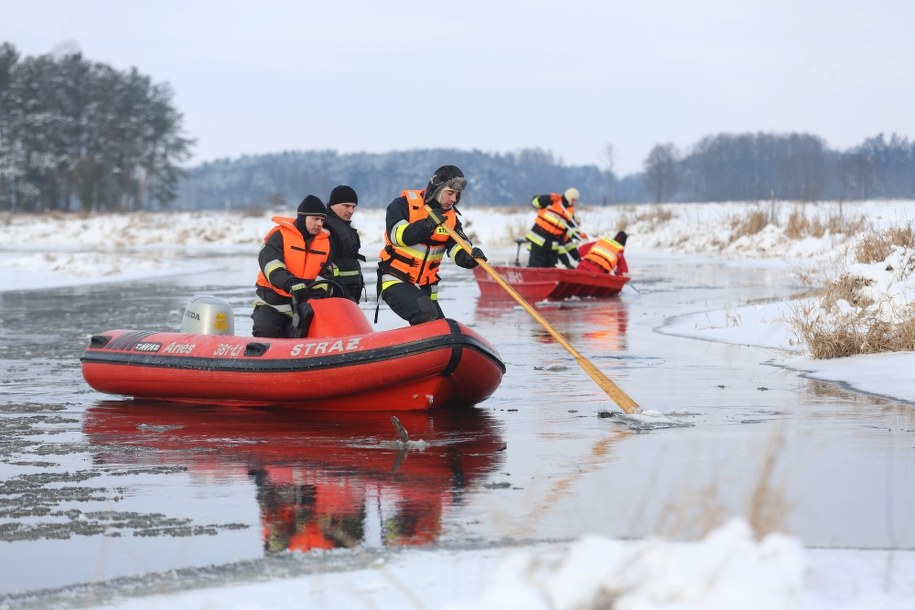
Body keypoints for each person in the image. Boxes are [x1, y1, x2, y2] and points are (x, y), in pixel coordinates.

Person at [376, 164, 486, 325]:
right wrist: (428, 224)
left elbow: (458, 248)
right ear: (437, 189)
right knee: (427, 313)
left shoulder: (452, 220)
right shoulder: (401, 205)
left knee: (442, 326)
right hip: (396, 281)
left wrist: (470, 257)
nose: (453, 200)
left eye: (457, 195)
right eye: (450, 193)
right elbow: (397, 236)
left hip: (426, 289)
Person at [251, 195, 335, 338]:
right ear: (302, 217)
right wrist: (291, 283)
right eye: (315, 219)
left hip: (305, 305)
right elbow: (271, 266)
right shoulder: (279, 236)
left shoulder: (325, 243)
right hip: (273, 302)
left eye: (322, 220)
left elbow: (325, 274)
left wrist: (317, 293)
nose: (319, 224)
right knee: (266, 331)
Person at [323, 185, 365, 303]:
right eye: (346, 206)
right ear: (333, 205)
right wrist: (345, 295)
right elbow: (326, 266)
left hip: (348, 296)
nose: (351, 210)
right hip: (336, 296)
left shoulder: (343, 226)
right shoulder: (327, 229)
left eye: (353, 207)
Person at [525, 187, 583, 268]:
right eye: (573, 200)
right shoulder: (552, 201)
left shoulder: (569, 212)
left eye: (575, 200)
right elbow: (534, 202)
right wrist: (547, 198)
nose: (574, 202)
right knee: (536, 265)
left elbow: (570, 229)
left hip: (552, 244)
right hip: (539, 239)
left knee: (551, 267)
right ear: (569, 197)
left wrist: (578, 235)